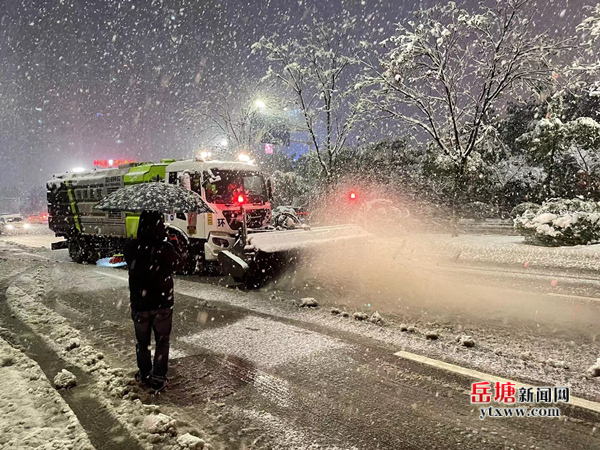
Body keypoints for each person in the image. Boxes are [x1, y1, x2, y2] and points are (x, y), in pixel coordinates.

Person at [123, 211, 180, 392]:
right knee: (162, 341)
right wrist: (173, 244)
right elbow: (179, 264)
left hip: (140, 304)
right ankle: (158, 377)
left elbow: (129, 258)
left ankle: (145, 373)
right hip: (162, 303)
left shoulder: (131, 247)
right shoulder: (165, 248)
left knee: (143, 342)